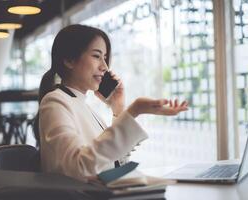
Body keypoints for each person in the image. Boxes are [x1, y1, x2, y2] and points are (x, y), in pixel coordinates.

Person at [35, 24, 188, 181]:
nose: (105, 67)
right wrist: (134, 110)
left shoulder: (81, 105)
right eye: (96, 56)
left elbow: (115, 163)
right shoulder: (55, 102)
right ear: (69, 60)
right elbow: (78, 167)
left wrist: (118, 108)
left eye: (105, 58)